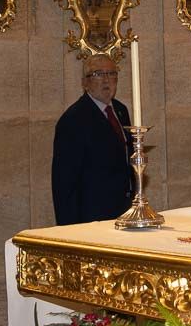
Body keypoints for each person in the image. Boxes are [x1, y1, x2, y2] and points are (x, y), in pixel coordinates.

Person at [52, 54, 135, 225]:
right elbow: (64, 182)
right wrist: (69, 229)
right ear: (85, 82)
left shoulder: (120, 110)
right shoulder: (73, 119)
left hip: (124, 211)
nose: (106, 80)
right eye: (98, 74)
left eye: (111, 73)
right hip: (92, 216)